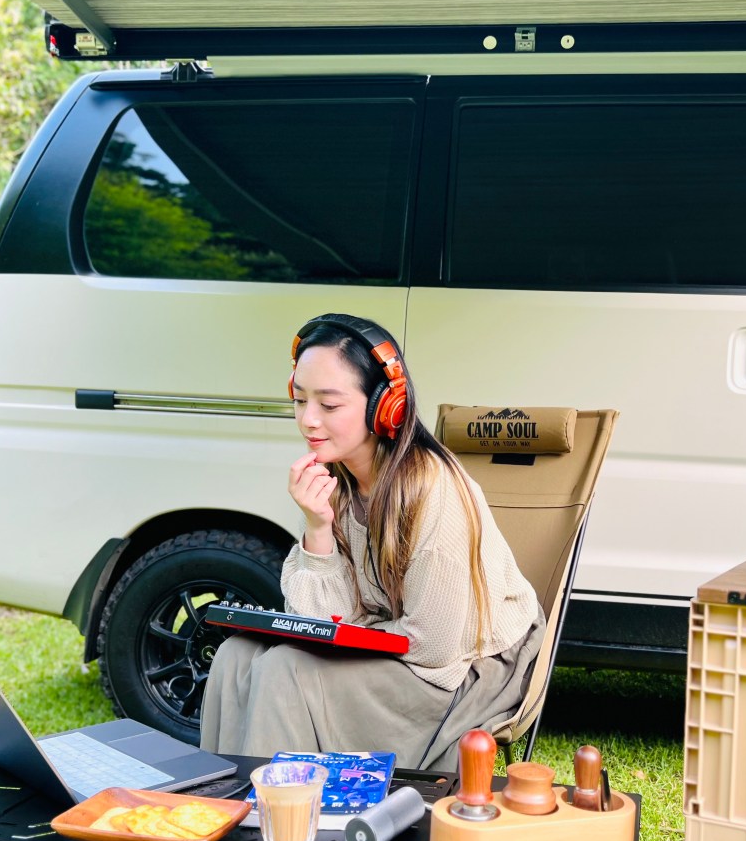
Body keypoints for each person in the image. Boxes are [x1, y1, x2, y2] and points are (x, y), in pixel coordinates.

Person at [199, 313, 545, 770]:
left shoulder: (434, 491)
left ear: (385, 406)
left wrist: (351, 637)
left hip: (470, 671)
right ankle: (228, 798)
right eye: (299, 400)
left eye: (329, 404)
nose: (308, 420)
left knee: (285, 671)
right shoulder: (336, 484)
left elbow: (436, 647)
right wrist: (318, 526)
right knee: (236, 656)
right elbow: (322, 620)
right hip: (392, 642)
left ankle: (289, 809)